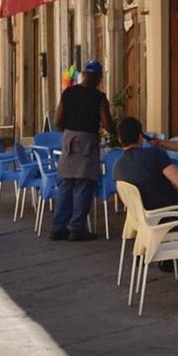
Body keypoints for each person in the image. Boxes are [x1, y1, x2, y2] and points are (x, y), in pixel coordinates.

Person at [50, 61, 117, 242]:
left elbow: (57, 120)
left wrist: (70, 131)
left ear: (84, 75)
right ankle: (76, 228)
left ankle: (58, 227)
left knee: (66, 183)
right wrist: (113, 130)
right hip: (87, 141)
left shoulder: (68, 93)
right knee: (84, 184)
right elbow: (108, 124)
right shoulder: (99, 97)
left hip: (69, 140)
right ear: (97, 77)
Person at [113, 116, 178, 213]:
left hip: (140, 217)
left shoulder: (117, 166)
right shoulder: (155, 154)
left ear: (120, 139)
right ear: (140, 137)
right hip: (168, 213)